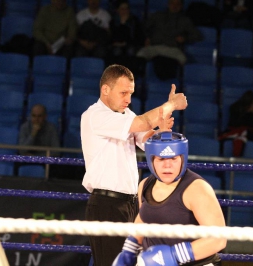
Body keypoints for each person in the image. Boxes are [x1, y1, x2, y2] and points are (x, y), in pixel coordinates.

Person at [80, 64, 187, 266]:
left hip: (129, 205)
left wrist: (162, 131)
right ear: (105, 90)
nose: (128, 99)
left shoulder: (125, 115)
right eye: (123, 93)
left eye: (130, 93)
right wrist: (171, 104)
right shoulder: (95, 115)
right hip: (106, 205)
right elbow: (144, 123)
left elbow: (148, 142)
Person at [112, 131, 227, 266]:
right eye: (161, 159)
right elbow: (143, 218)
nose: (168, 165)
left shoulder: (197, 189)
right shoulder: (145, 185)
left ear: (182, 159)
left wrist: (173, 255)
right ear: (151, 160)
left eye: (173, 159)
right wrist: (129, 250)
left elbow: (218, 240)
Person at [136, 0, 202, 80]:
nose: (175, 6)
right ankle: (139, 83)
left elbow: (197, 35)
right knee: (140, 55)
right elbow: (143, 27)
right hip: (154, 47)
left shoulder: (184, 20)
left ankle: (177, 84)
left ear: (181, 6)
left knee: (183, 59)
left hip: (172, 49)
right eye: (172, 3)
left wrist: (185, 38)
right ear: (168, 4)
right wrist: (147, 38)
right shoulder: (158, 15)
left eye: (177, 4)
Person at [107, 0, 146, 77]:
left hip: (131, 45)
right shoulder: (113, 22)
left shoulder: (135, 21)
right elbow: (111, 38)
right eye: (122, 8)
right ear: (117, 10)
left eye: (126, 8)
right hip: (116, 46)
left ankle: (130, 77)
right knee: (116, 52)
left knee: (130, 51)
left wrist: (126, 43)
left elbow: (139, 38)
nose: (124, 11)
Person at [219, 90, 253, 156]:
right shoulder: (234, 108)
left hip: (248, 133)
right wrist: (248, 112)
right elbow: (234, 124)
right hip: (235, 130)